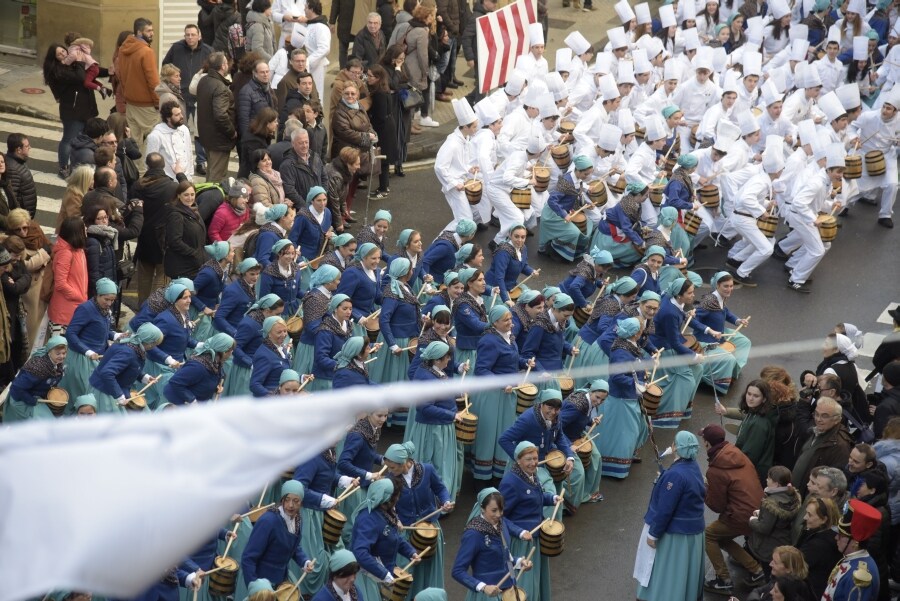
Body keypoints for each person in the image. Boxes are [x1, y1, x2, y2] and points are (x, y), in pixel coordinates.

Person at [634, 431, 706, 601]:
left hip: (676, 534)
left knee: (666, 573)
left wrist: (653, 534)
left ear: (675, 447)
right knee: (683, 575)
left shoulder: (675, 474)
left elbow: (665, 509)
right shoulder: (693, 466)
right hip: (693, 532)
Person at [700, 423, 766, 596]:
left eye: (703, 439)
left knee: (708, 535)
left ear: (707, 443)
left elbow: (717, 505)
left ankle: (723, 580)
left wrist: (705, 487)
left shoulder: (715, 470)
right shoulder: (736, 453)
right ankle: (756, 570)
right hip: (757, 509)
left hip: (740, 515)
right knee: (720, 537)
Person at [471, 305, 534, 482]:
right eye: (506, 320)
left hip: (507, 394)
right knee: (489, 433)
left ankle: (498, 473)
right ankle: (481, 478)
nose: (511, 323)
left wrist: (524, 362)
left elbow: (511, 360)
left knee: (503, 433)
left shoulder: (509, 337)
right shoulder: (489, 341)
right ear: (495, 322)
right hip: (491, 395)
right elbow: (481, 370)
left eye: (511, 319)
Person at [383, 442, 453, 597]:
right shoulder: (390, 479)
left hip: (429, 528)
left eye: (393, 467)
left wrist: (445, 501)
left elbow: (440, 489)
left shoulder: (427, 470)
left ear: (404, 463)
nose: (390, 471)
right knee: (407, 568)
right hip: (405, 531)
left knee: (429, 565)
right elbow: (388, 506)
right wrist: (396, 520)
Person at [498, 441, 557, 601]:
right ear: (518, 460)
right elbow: (500, 517)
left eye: (535, 458)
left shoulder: (531, 474)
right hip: (520, 543)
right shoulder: (510, 482)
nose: (533, 463)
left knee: (534, 582)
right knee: (523, 587)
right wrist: (520, 531)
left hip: (534, 539)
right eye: (528, 459)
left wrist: (552, 498)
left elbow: (535, 498)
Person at [452, 488, 532, 600]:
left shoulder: (502, 524)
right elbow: (457, 571)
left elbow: (505, 557)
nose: (499, 515)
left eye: (501, 509)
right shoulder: (473, 535)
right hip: (486, 596)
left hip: (508, 590)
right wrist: (483, 587)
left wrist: (519, 562)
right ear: (482, 509)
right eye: (494, 510)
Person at [351, 479, 420, 601]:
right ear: (387, 498)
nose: (397, 499)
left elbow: (394, 538)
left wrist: (411, 552)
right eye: (395, 496)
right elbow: (360, 553)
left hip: (383, 573)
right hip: (369, 578)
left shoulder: (386, 513)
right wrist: (383, 574)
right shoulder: (367, 519)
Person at [241, 480, 315, 586]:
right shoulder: (268, 521)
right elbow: (248, 558)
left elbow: (293, 546)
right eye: (287, 500)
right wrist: (255, 587)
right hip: (262, 582)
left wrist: (305, 562)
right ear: (282, 500)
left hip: (281, 580)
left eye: (296, 501)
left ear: (301, 503)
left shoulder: (298, 520)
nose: (290, 505)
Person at [42, 44, 100, 178]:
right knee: (68, 139)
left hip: (85, 109)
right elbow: (80, 77)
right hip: (72, 112)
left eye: (63, 50)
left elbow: (88, 72)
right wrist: (79, 62)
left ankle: (80, 164)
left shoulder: (71, 65)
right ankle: (63, 168)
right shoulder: (59, 71)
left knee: (84, 139)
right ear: (54, 58)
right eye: (59, 54)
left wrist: (107, 71)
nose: (63, 54)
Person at [88, 323, 164, 414]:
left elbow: (130, 367)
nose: (153, 346)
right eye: (154, 343)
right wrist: (119, 395)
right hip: (104, 392)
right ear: (150, 342)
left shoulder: (133, 345)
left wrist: (144, 377)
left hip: (114, 390)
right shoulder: (127, 352)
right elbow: (107, 373)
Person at [715, 380, 779, 484]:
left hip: (750, 474)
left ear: (764, 399)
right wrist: (725, 411)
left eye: (756, 396)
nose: (750, 398)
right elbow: (743, 414)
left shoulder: (759, 424)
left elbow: (748, 456)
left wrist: (727, 461)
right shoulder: (754, 411)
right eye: (749, 394)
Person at [792, 396, 854, 497]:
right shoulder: (819, 430)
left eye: (824, 416)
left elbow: (832, 483)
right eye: (816, 414)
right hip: (798, 492)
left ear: (837, 419)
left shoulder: (840, 445)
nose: (818, 419)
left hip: (810, 497)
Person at [822, 499, 882, 601]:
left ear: (855, 542)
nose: (836, 538)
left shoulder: (860, 578)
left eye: (841, 535)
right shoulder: (852, 559)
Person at [226, 293, 282, 397]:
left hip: (261, 368)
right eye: (277, 314)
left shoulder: (268, 322)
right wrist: (250, 363)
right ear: (266, 310)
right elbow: (235, 346)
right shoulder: (249, 324)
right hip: (246, 371)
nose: (279, 317)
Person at [2, 336, 68, 422]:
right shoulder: (38, 368)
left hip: (38, 396)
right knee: (46, 424)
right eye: (58, 353)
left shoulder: (57, 363)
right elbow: (16, 388)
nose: (61, 356)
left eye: (64, 353)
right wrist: (31, 400)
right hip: (22, 400)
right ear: (49, 352)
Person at [117, 19, 161, 151]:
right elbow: (153, 80)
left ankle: (138, 171)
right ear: (139, 32)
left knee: (135, 143)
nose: (152, 33)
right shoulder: (146, 52)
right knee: (154, 142)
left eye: (152, 30)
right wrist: (158, 102)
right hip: (146, 105)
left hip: (130, 103)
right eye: (148, 31)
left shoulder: (123, 49)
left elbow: (121, 75)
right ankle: (150, 171)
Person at [293, 264, 342, 373]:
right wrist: (333, 334)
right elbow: (313, 327)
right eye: (337, 279)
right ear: (329, 281)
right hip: (311, 347)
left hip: (322, 344)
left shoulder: (327, 295)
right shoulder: (314, 298)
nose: (339, 282)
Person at [197, 52, 237, 183]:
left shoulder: (203, 81)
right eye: (226, 62)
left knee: (211, 173)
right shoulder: (220, 87)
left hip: (207, 136)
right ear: (223, 66)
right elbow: (220, 115)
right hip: (219, 139)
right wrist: (232, 132)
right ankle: (210, 201)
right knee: (216, 178)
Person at [163, 333, 234, 404]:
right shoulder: (197, 367)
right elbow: (175, 383)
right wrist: (192, 400)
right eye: (230, 350)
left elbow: (205, 382)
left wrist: (216, 388)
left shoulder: (216, 363)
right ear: (224, 352)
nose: (232, 352)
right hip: (179, 406)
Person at [48, 216, 88, 335]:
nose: (86, 229)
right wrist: (79, 297)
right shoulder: (65, 253)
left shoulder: (78, 250)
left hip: (75, 309)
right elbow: (60, 284)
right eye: (83, 228)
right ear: (77, 232)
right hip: (63, 314)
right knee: (61, 351)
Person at [163, 181, 207, 279]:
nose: (190, 198)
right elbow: (174, 241)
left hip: (194, 265)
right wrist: (194, 254)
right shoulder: (176, 215)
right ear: (179, 195)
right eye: (186, 195)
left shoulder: (193, 211)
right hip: (183, 267)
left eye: (192, 194)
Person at [280, 129, 326, 207]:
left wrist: (322, 198)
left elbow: (324, 178)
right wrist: (307, 207)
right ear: (293, 143)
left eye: (306, 142)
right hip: (302, 211)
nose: (305, 146)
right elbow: (290, 191)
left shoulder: (315, 157)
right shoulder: (287, 165)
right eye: (301, 143)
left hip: (319, 206)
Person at [250, 316, 292, 397]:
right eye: (279, 332)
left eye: (285, 331)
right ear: (269, 334)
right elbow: (255, 385)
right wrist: (271, 396)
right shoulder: (264, 355)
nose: (284, 335)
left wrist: (301, 377)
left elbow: (283, 371)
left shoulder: (279, 347)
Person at [237, 60, 277, 141]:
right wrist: (247, 140)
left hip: (266, 135)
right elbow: (244, 119)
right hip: (254, 137)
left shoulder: (269, 89)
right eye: (262, 72)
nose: (265, 75)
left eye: (267, 72)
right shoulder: (246, 91)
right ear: (254, 73)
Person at [4, 134, 37, 219]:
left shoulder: (19, 161)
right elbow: (12, 198)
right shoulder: (12, 169)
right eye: (27, 146)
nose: (30, 147)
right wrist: (21, 218)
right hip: (22, 218)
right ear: (19, 150)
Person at [304, 0, 331, 99]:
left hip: (317, 66)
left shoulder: (321, 27)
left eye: (306, 7)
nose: (304, 9)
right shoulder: (311, 24)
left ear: (311, 9)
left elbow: (324, 48)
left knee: (317, 94)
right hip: (309, 65)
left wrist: (308, 61)